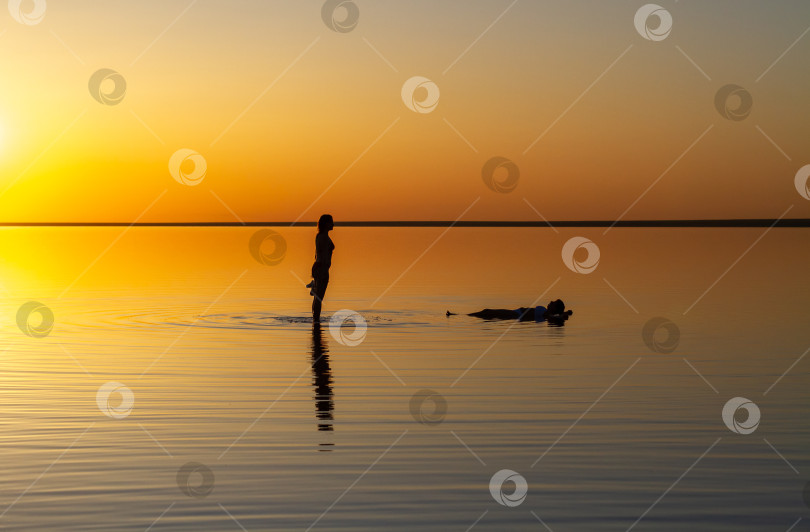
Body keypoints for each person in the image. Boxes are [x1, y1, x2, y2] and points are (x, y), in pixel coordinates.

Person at [308, 214, 335, 321]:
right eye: (331, 222)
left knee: (317, 297)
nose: (333, 224)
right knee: (319, 298)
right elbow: (321, 255)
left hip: (320, 268)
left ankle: (315, 319)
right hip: (322, 269)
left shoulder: (321, 236)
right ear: (325, 224)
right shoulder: (323, 237)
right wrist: (321, 271)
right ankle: (316, 320)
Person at [447, 299, 572, 322]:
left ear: (555, 308)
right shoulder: (546, 313)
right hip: (514, 313)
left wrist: (561, 315)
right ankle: (458, 315)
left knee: (487, 313)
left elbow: (554, 317)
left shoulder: (547, 314)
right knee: (487, 312)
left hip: (514, 315)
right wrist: (563, 314)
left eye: (553, 302)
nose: (550, 301)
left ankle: (457, 315)